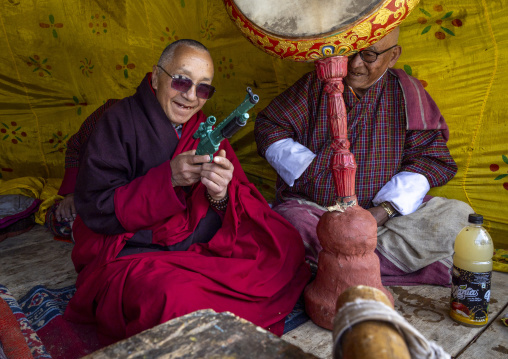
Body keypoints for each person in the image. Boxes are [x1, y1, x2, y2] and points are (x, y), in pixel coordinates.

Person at [63, 39, 311, 344]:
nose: (191, 97)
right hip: (134, 250)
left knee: (285, 244)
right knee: (172, 300)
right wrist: (168, 179)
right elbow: (96, 208)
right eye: (181, 81)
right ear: (155, 77)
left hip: (196, 243)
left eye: (203, 88)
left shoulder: (202, 130)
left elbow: (238, 201)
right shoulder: (118, 122)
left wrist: (220, 194)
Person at [254, 28, 473, 286]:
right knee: (289, 223)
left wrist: (384, 210)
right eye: (349, 53)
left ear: (393, 56)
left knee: (459, 216)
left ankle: (340, 267)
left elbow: (429, 158)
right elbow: (269, 127)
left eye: (369, 55)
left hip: (386, 224)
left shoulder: (407, 93)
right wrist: (310, 169)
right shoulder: (317, 84)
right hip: (319, 215)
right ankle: (385, 269)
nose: (355, 64)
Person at [45, 99, 119, 239]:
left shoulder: (161, 127)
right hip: (94, 187)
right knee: (62, 218)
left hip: (130, 195)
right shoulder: (107, 114)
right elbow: (75, 148)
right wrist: (71, 193)